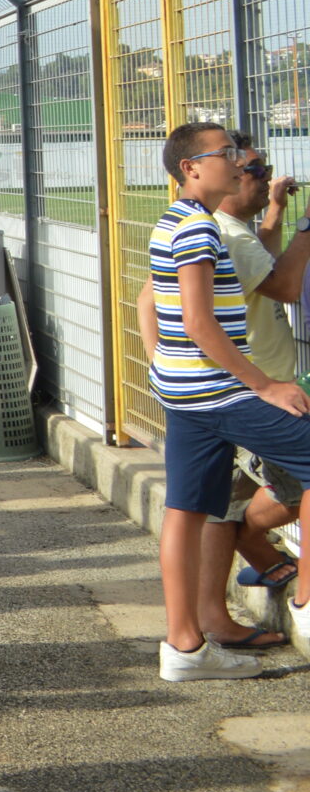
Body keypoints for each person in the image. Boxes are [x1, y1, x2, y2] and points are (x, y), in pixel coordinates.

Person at [141, 122, 310, 683]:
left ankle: (184, 647)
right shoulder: (197, 229)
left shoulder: (182, 221)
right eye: (227, 154)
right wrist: (264, 385)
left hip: (186, 392)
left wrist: (163, 367)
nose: (239, 163)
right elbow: (196, 320)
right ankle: (306, 603)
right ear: (191, 167)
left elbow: (159, 306)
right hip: (217, 393)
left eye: (241, 156)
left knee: (186, 511)